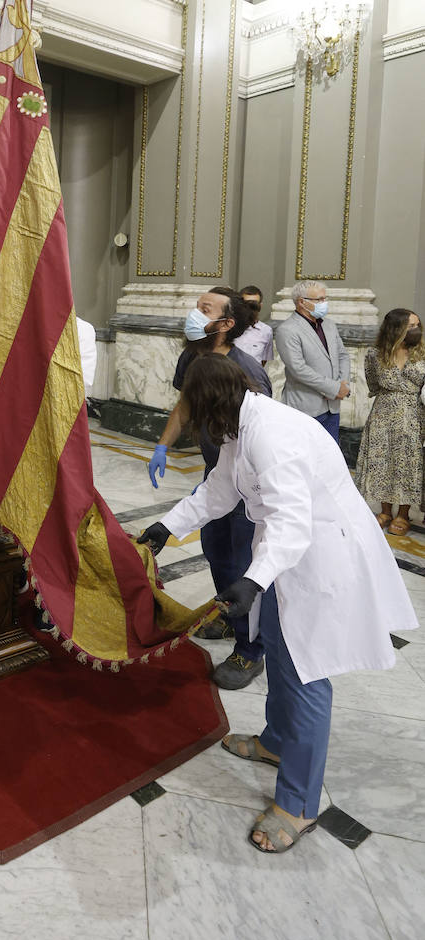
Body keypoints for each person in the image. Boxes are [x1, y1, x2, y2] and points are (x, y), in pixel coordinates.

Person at [140, 355, 416, 854]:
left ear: (211, 403)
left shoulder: (272, 434)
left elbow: (293, 524)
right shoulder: (237, 424)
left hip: (320, 556)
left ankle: (300, 805)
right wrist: (169, 526)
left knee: (306, 672)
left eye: (193, 407)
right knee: (280, 651)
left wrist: (251, 580)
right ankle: (276, 742)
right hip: (286, 557)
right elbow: (220, 490)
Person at [148, 287, 271, 689]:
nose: (193, 313)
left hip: (247, 481)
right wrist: (163, 445)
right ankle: (226, 614)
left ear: (226, 323)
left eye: (204, 309)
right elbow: (186, 403)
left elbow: (259, 437)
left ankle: (251, 652)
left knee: (240, 562)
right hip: (218, 472)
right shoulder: (194, 355)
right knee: (216, 551)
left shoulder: (246, 370)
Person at [355, 308, 425, 536]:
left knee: (408, 463)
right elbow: (373, 384)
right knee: (383, 461)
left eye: (417, 325)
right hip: (383, 414)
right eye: (411, 326)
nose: (416, 330)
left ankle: (403, 514)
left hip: (414, 414)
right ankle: (385, 511)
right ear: (396, 329)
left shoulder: (422, 352)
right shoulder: (375, 354)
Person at [275, 280, 350, 443]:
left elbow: (343, 355)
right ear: (302, 302)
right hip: (305, 407)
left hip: (332, 407)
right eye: (319, 300)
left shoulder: (329, 325)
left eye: (325, 298)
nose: (324, 303)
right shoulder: (287, 330)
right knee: (305, 459)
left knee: (328, 457)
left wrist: (344, 384)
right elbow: (298, 369)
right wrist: (334, 388)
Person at [235, 285, 274, 367]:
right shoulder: (229, 327)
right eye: (247, 303)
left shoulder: (266, 331)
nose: (250, 308)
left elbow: (264, 360)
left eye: (254, 304)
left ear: (260, 306)